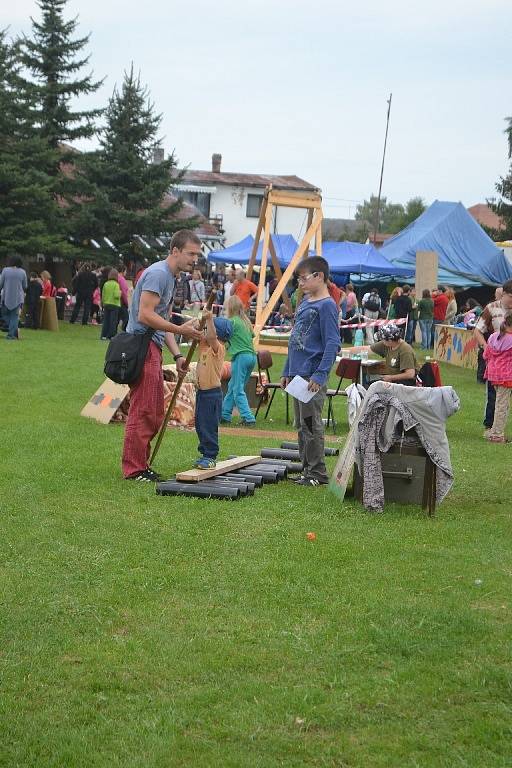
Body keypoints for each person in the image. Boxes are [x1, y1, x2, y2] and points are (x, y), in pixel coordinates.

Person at [122, 230, 203, 481]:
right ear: (175, 251)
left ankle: (140, 465)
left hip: (153, 346)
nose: (194, 259)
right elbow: (145, 315)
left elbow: (162, 320)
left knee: (154, 410)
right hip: (142, 346)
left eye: (197, 255)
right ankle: (134, 470)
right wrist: (181, 329)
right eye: (190, 253)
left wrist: (177, 355)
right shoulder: (159, 274)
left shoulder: (171, 277)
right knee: (144, 409)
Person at [280, 256, 340, 487]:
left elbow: (332, 344)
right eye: (299, 279)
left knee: (311, 424)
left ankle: (318, 473)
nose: (301, 283)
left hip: (310, 378)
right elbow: (294, 340)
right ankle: (307, 469)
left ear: (319, 277)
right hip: (297, 376)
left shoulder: (327, 306)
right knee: (301, 425)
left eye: (304, 278)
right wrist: (287, 370)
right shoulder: (305, 302)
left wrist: (320, 375)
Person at [194, 313, 233, 469]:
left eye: (208, 329)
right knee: (200, 424)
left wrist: (209, 319)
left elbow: (211, 337)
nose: (205, 331)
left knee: (209, 425)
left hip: (212, 395)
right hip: (202, 393)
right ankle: (204, 452)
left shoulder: (218, 349)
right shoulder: (204, 346)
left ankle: (210, 455)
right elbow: (198, 332)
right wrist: (201, 320)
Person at [474, 280, 512, 436]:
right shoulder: (491, 308)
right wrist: (486, 347)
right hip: (498, 362)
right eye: (511, 296)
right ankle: (490, 426)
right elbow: (477, 330)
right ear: (503, 294)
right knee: (494, 395)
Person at [221, 295, 257, 425]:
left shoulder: (232, 322)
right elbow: (251, 336)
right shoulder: (246, 321)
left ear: (230, 308)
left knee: (237, 388)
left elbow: (224, 337)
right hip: (251, 357)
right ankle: (224, 415)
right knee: (233, 385)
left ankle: (248, 417)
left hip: (240, 357)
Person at [483, 314, 512, 443]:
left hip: (493, 374)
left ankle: (494, 430)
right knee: (502, 405)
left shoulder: (494, 336)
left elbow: (486, 355)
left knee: (500, 404)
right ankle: (497, 434)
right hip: (506, 375)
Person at [0, 256, 27, 340]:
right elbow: (25, 285)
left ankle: (10, 330)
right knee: (14, 317)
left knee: (4, 315)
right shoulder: (23, 272)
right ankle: (11, 335)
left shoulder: (5, 270)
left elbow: (1, 283)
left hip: (6, 297)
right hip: (18, 298)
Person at [101, 268, 121, 340]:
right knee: (113, 321)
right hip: (114, 304)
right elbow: (116, 296)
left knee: (106, 320)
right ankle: (111, 335)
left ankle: (104, 335)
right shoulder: (116, 285)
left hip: (106, 304)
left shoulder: (106, 284)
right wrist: (120, 293)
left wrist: (102, 302)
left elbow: (103, 295)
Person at [117, 265, 130, 332]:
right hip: (121, 302)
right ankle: (124, 332)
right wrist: (127, 303)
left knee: (116, 319)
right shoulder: (122, 279)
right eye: (125, 271)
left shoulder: (115, 278)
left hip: (116, 302)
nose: (126, 272)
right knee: (126, 318)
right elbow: (124, 292)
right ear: (123, 271)